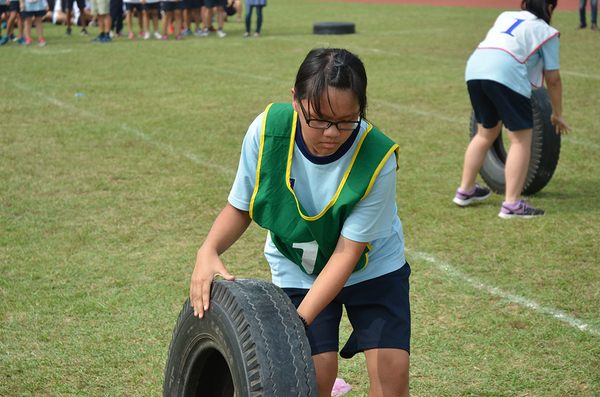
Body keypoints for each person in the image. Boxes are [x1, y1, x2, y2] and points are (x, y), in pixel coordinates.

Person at [189, 48, 411, 397]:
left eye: (346, 120)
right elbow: (241, 207)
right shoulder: (267, 132)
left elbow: (346, 254)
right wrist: (208, 249)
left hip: (372, 269)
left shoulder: (377, 158)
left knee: (391, 378)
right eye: (319, 118)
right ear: (296, 100)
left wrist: (295, 324)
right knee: (312, 376)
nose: (331, 133)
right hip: (300, 267)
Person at [455, 0, 571, 218]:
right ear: (550, 8)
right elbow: (553, 79)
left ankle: (465, 190)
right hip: (505, 71)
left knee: (485, 132)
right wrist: (557, 114)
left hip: (474, 68)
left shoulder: (505, 15)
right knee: (520, 140)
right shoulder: (547, 31)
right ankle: (512, 204)